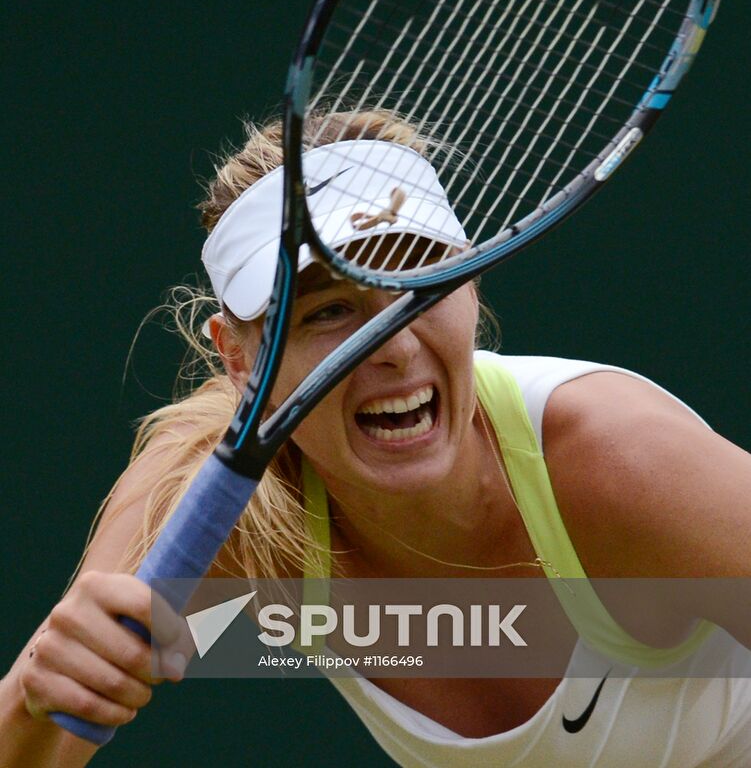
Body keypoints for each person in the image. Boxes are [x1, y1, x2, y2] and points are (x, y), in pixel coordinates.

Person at [2, 109, 750, 767]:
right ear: (237, 358)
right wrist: (40, 695)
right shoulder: (211, 500)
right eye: (328, 310)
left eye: (423, 286)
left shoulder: (619, 461)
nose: (393, 345)